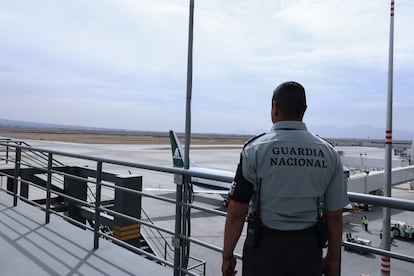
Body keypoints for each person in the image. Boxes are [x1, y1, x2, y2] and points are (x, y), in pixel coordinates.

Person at [222, 81, 349, 276]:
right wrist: (332, 258)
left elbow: (237, 211)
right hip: (307, 251)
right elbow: (334, 216)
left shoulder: (254, 150)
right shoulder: (329, 153)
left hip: (263, 250)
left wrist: (227, 256)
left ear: (275, 107)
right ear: (304, 110)